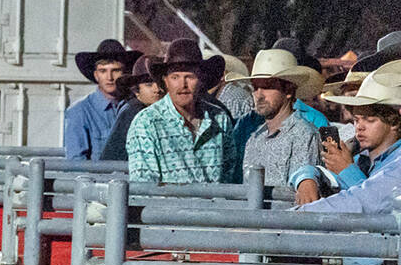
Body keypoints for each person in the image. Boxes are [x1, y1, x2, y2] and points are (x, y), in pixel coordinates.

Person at [126, 39, 237, 184]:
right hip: (166, 206)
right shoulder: (147, 123)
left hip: (214, 206)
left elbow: (230, 174)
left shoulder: (220, 118)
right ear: (165, 81)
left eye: (190, 77)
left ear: (201, 80)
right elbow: (144, 186)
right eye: (175, 77)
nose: (182, 85)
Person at [293, 68, 401, 210]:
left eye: (369, 120)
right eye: (356, 120)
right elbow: (323, 173)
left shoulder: (396, 162)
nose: (359, 127)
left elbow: (370, 202)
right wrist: (306, 177)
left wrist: (346, 170)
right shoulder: (362, 158)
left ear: (394, 123)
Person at [229, 49, 321, 191]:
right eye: (255, 87)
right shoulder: (254, 138)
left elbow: (303, 198)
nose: (258, 95)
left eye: (267, 87)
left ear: (289, 90)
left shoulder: (304, 135)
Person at [64, 39, 142, 160]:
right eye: (103, 71)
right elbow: (76, 163)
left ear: (125, 73)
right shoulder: (79, 111)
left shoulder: (136, 107)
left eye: (116, 70)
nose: (109, 77)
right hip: (97, 179)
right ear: (96, 75)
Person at [100, 56, 163, 162]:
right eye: (149, 85)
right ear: (136, 91)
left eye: (161, 84)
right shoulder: (134, 112)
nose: (157, 90)